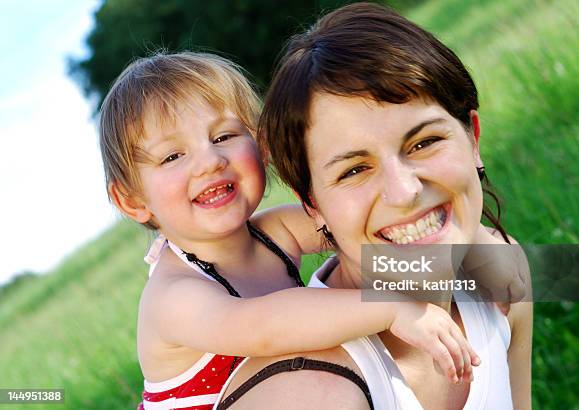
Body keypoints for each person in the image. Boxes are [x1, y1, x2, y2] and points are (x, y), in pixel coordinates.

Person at [98, 51, 505, 410]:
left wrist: (482, 247)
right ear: (132, 201)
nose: (210, 161)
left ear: (262, 147)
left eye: (224, 136)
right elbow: (261, 329)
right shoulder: (173, 295)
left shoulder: (275, 231)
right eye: (172, 156)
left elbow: (371, 226)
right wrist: (392, 307)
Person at [217, 3, 532, 409]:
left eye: (423, 143)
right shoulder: (305, 395)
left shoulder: (502, 282)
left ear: (472, 138)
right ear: (312, 205)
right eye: (354, 171)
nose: (404, 192)